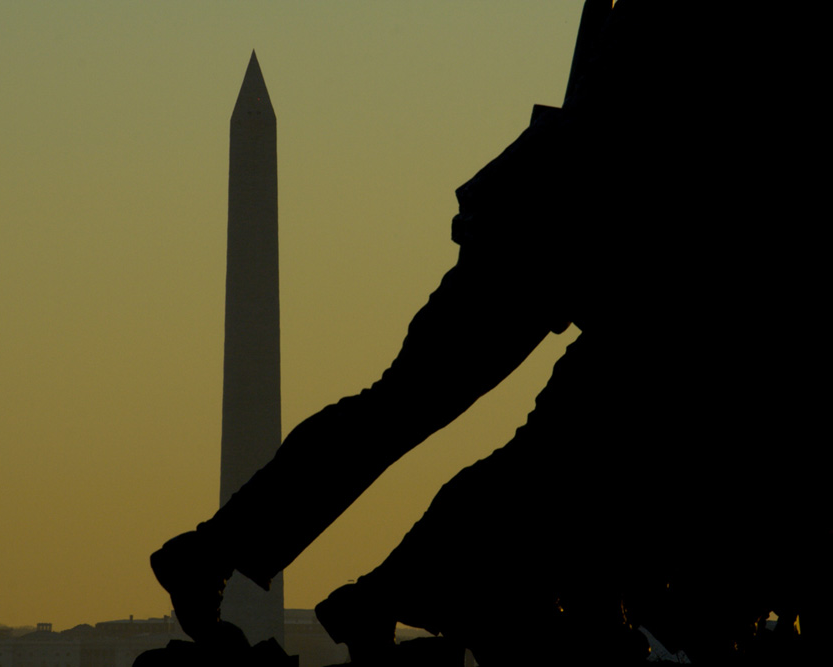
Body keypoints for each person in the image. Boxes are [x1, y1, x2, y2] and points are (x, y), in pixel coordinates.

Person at [152, 2, 827, 663]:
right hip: (562, 230)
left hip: (574, 230)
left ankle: (256, 561)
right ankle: (241, 558)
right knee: (428, 409)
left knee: (442, 414)